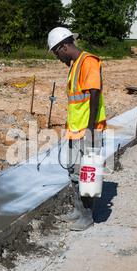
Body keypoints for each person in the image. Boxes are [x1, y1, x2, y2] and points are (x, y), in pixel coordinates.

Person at [47, 27, 107, 231]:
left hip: (88, 130)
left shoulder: (88, 61)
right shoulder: (75, 65)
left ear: (64, 47)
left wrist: (90, 130)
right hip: (76, 130)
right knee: (74, 172)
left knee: (88, 173)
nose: (57, 58)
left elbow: (94, 94)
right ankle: (78, 211)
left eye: (56, 53)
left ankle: (88, 217)